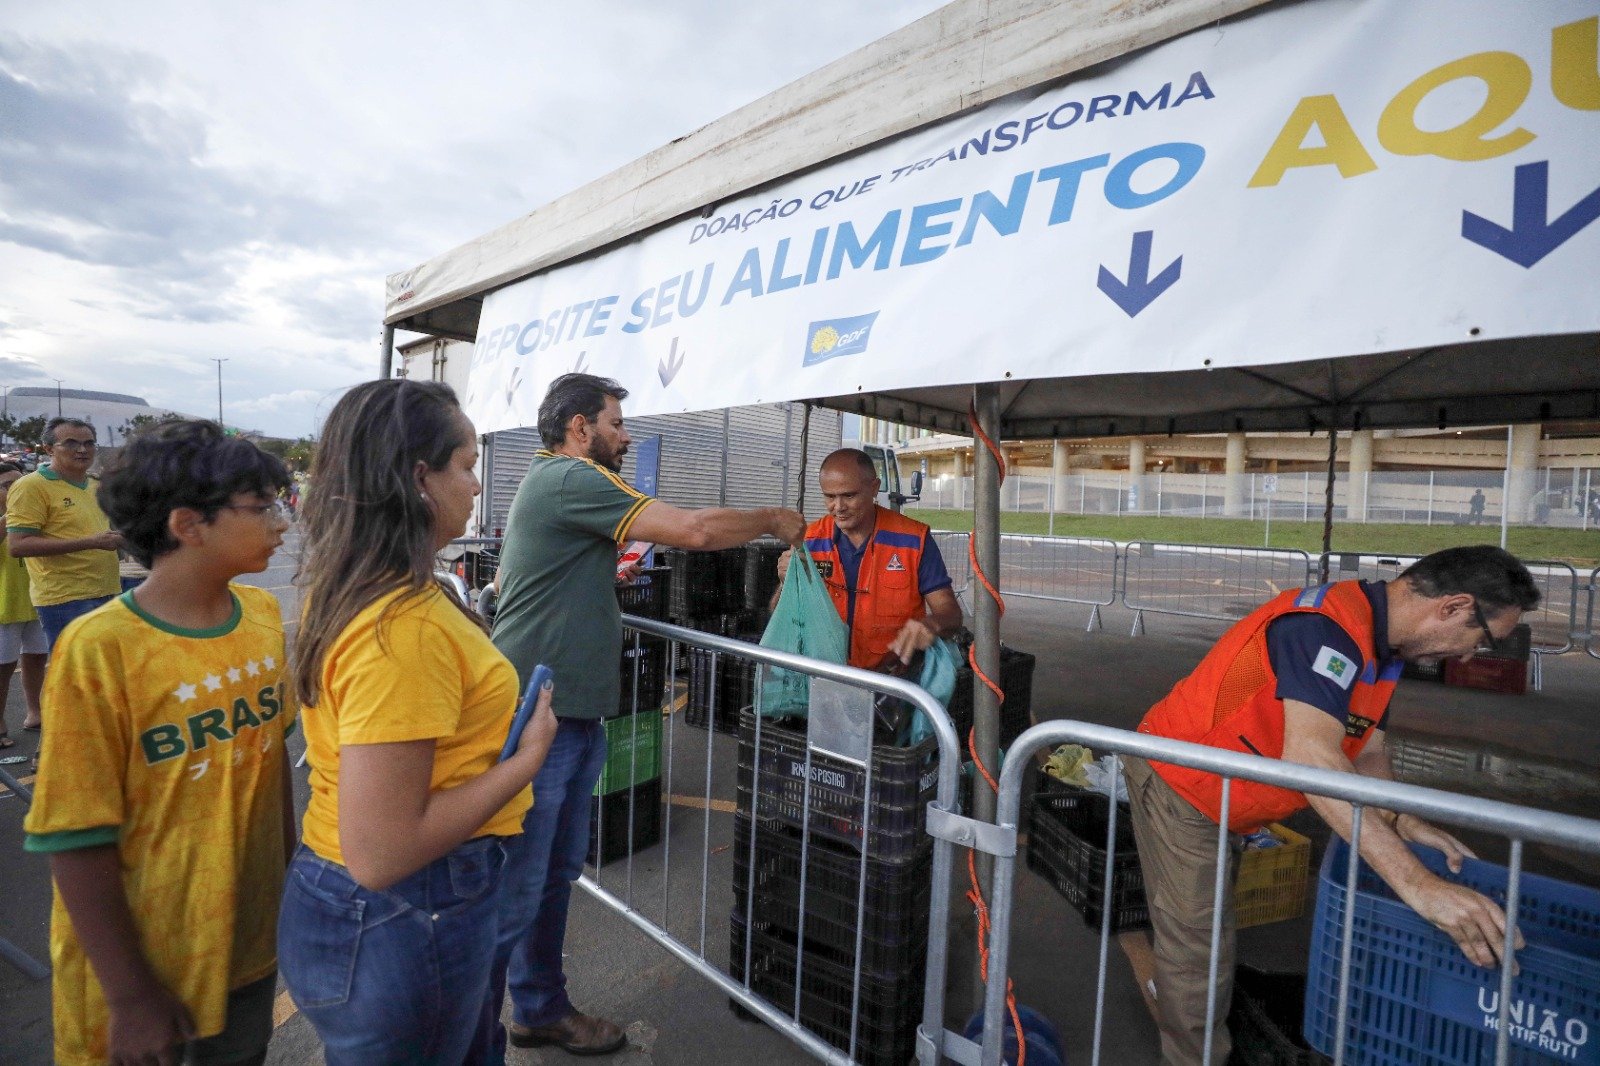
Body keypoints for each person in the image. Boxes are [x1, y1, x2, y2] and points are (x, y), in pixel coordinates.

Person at [490, 372, 805, 1057]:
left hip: (567, 713)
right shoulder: (572, 478)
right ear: (581, 428)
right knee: (522, 881)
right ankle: (477, 1027)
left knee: (547, 874)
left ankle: (536, 1006)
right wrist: (774, 521)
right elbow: (692, 530)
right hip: (543, 714)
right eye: (616, 422)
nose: (625, 435)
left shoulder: (562, 486)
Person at [1127, 545, 1540, 1066]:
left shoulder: (1382, 648)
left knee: (1207, 926)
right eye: (1481, 641)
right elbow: (1313, 760)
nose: (1466, 657)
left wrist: (1402, 818)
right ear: (1455, 607)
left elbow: (1365, 752)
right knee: (1198, 948)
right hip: (1183, 784)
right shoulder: (1323, 628)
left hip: (1232, 792)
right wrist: (1420, 886)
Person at [277, 379, 557, 1065]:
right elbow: (384, 851)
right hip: (405, 910)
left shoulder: (371, 588)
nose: (477, 485)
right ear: (418, 478)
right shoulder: (403, 626)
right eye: (466, 465)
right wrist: (526, 761)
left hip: (379, 908)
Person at [22, 420, 295, 1066]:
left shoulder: (262, 617)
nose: (282, 523)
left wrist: (296, 882)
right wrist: (129, 996)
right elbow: (75, 836)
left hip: (247, 949)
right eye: (262, 508)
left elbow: (273, 764)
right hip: (145, 967)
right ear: (187, 524)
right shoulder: (100, 650)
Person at [775, 447, 962, 669]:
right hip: (824, 675)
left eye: (849, 495)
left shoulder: (913, 540)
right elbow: (779, 615)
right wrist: (784, 583)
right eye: (830, 496)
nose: (839, 507)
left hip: (892, 682)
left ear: (874, 488)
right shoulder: (809, 541)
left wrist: (931, 625)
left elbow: (951, 614)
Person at [4, 417, 124, 651]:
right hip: (65, 599)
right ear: (49, 449)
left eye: (89, 443)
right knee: (75, 678)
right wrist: (91, 542)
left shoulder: (95, 485)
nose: (82, 449)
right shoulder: (31, 486)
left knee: (103, 676)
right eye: (71, 443)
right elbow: (18, 545)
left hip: (108, 590)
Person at [0, 461, 46, 743]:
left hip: (37, 597)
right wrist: (11, 515)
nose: (17, 489)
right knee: (4, 666)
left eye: (21, 482)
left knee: (37, 658)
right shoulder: (12, 517)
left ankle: (34, 712)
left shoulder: (32, 512)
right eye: (8, 485)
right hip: (4, 604)